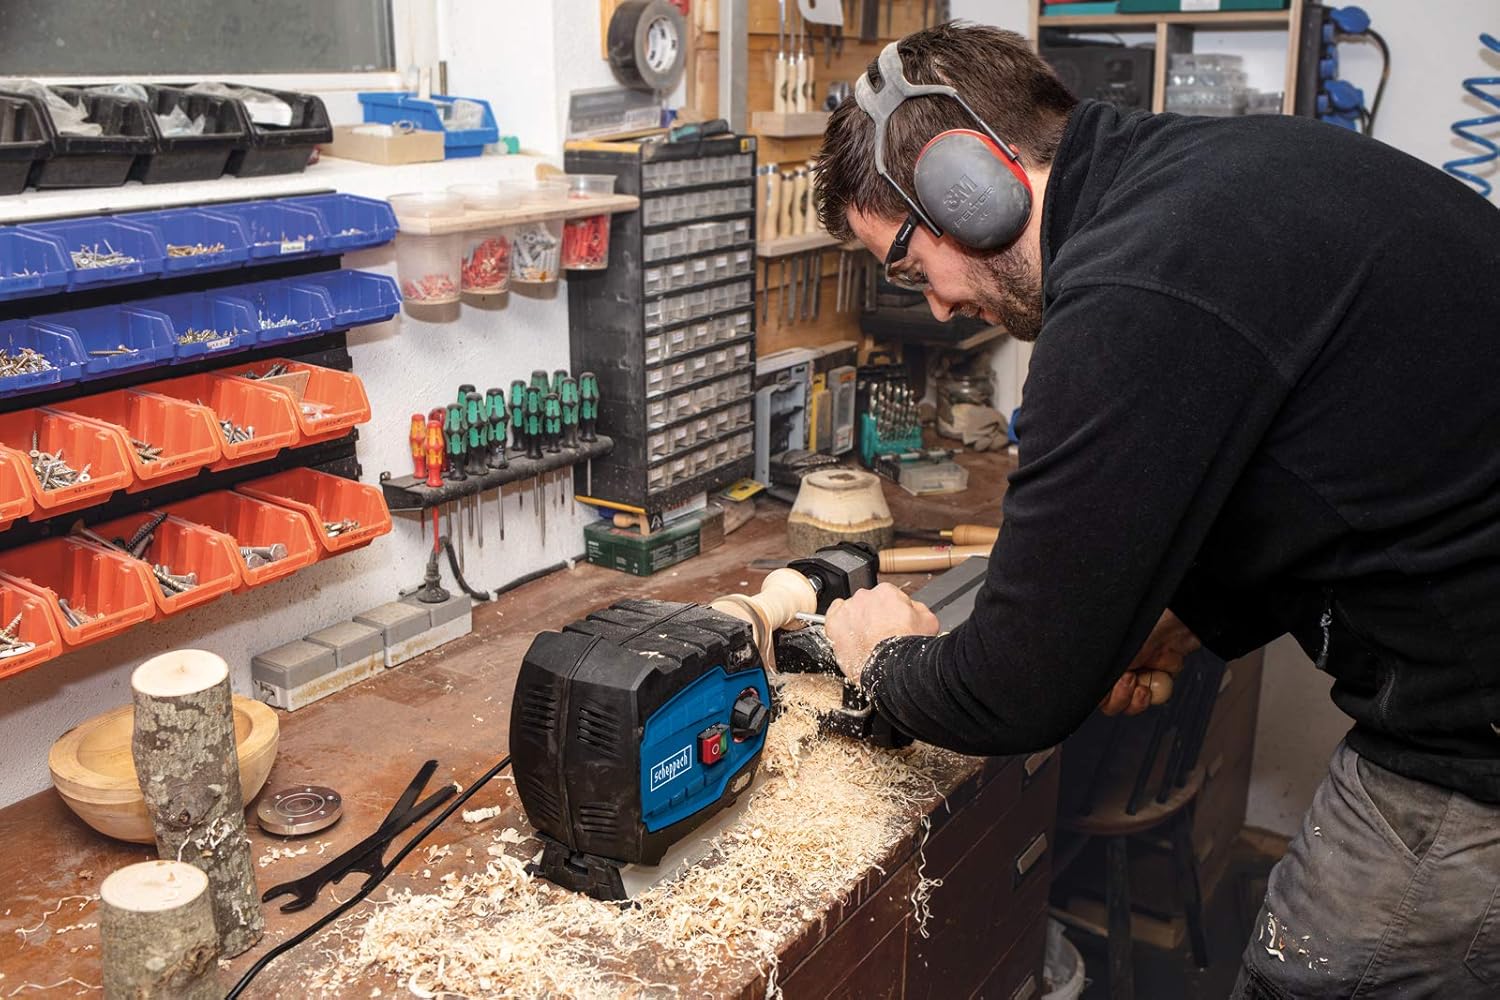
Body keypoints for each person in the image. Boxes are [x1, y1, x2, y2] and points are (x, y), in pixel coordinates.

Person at [813, 22, 1500, 1000]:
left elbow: (1015, 693)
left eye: (911, 266)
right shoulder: (1196, 184)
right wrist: (1186, 625)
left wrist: (878, 658)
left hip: (1467, 754)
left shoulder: (1133, 283)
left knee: (1311, 977)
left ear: (971, 182)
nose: (934, 305)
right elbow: (1328, 466)